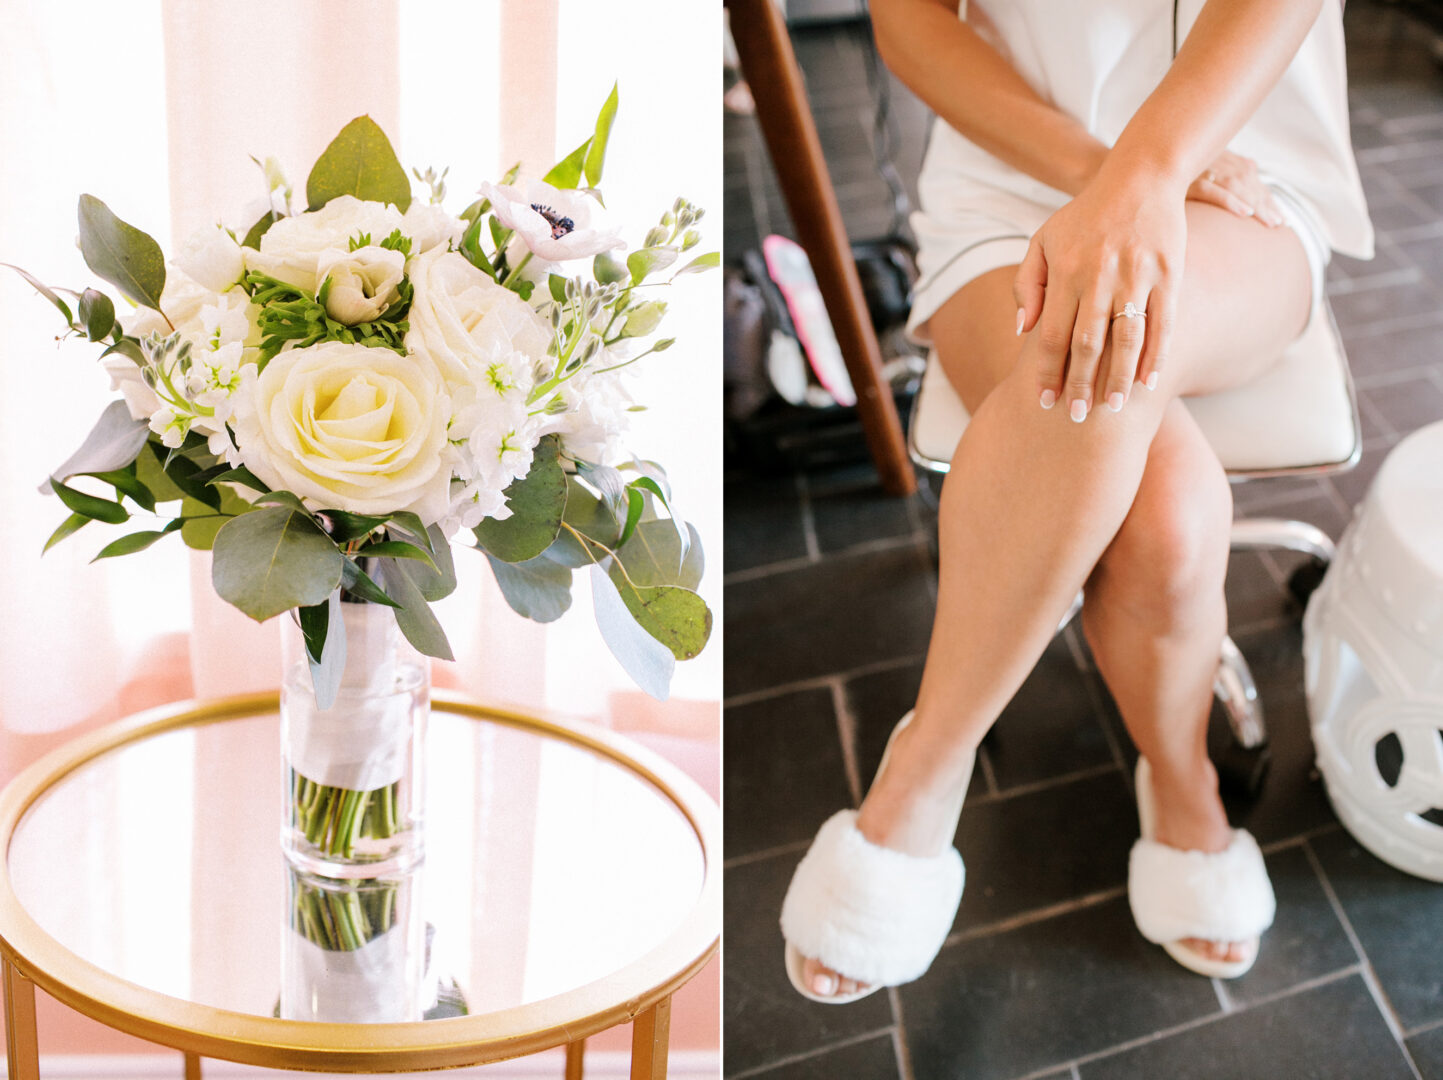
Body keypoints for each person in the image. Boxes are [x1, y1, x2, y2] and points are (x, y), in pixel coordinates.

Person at [778, 0, 1373, 1003]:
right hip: (1012, 177)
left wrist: (1153, 172)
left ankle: (926, 768)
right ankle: (1170, 781)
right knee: (1167, 513)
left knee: (1117, 332)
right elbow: (911, 23)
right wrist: (1103, 173)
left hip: (1242, 173)